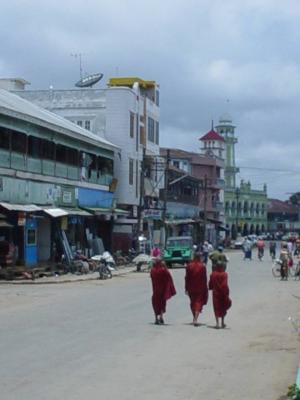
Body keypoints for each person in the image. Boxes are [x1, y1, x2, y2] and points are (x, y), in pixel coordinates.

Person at [185, 253, 208, 326]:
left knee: (192, 302)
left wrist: (186, 288)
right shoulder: (202, 266)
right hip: (200, 287)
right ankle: (195, 319)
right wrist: (205, 287)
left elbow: (186, 278)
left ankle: (194, 318)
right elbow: (204, 278)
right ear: (200, 257)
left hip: (191, 287)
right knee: (198, 302)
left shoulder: (189, 266)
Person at [150, 259, 176, 325]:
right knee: (162, 303)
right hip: (162, 290)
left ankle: (156, 318)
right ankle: (161, 316)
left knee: (155, 304)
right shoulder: (163, 270)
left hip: (155, 290)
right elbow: (169, 276)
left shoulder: (152, 270)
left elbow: (152, 277)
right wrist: (165, 267)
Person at [208, 264, 232, 329]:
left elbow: (210, 284)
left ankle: (217, 323)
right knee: (223, 307)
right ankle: (222, 322)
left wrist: (210, 287)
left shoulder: (213, 274)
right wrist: (226, 292)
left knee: (216, 308)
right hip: (223, 293)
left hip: (215, 293)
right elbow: (225, 284)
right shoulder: (224, 274)